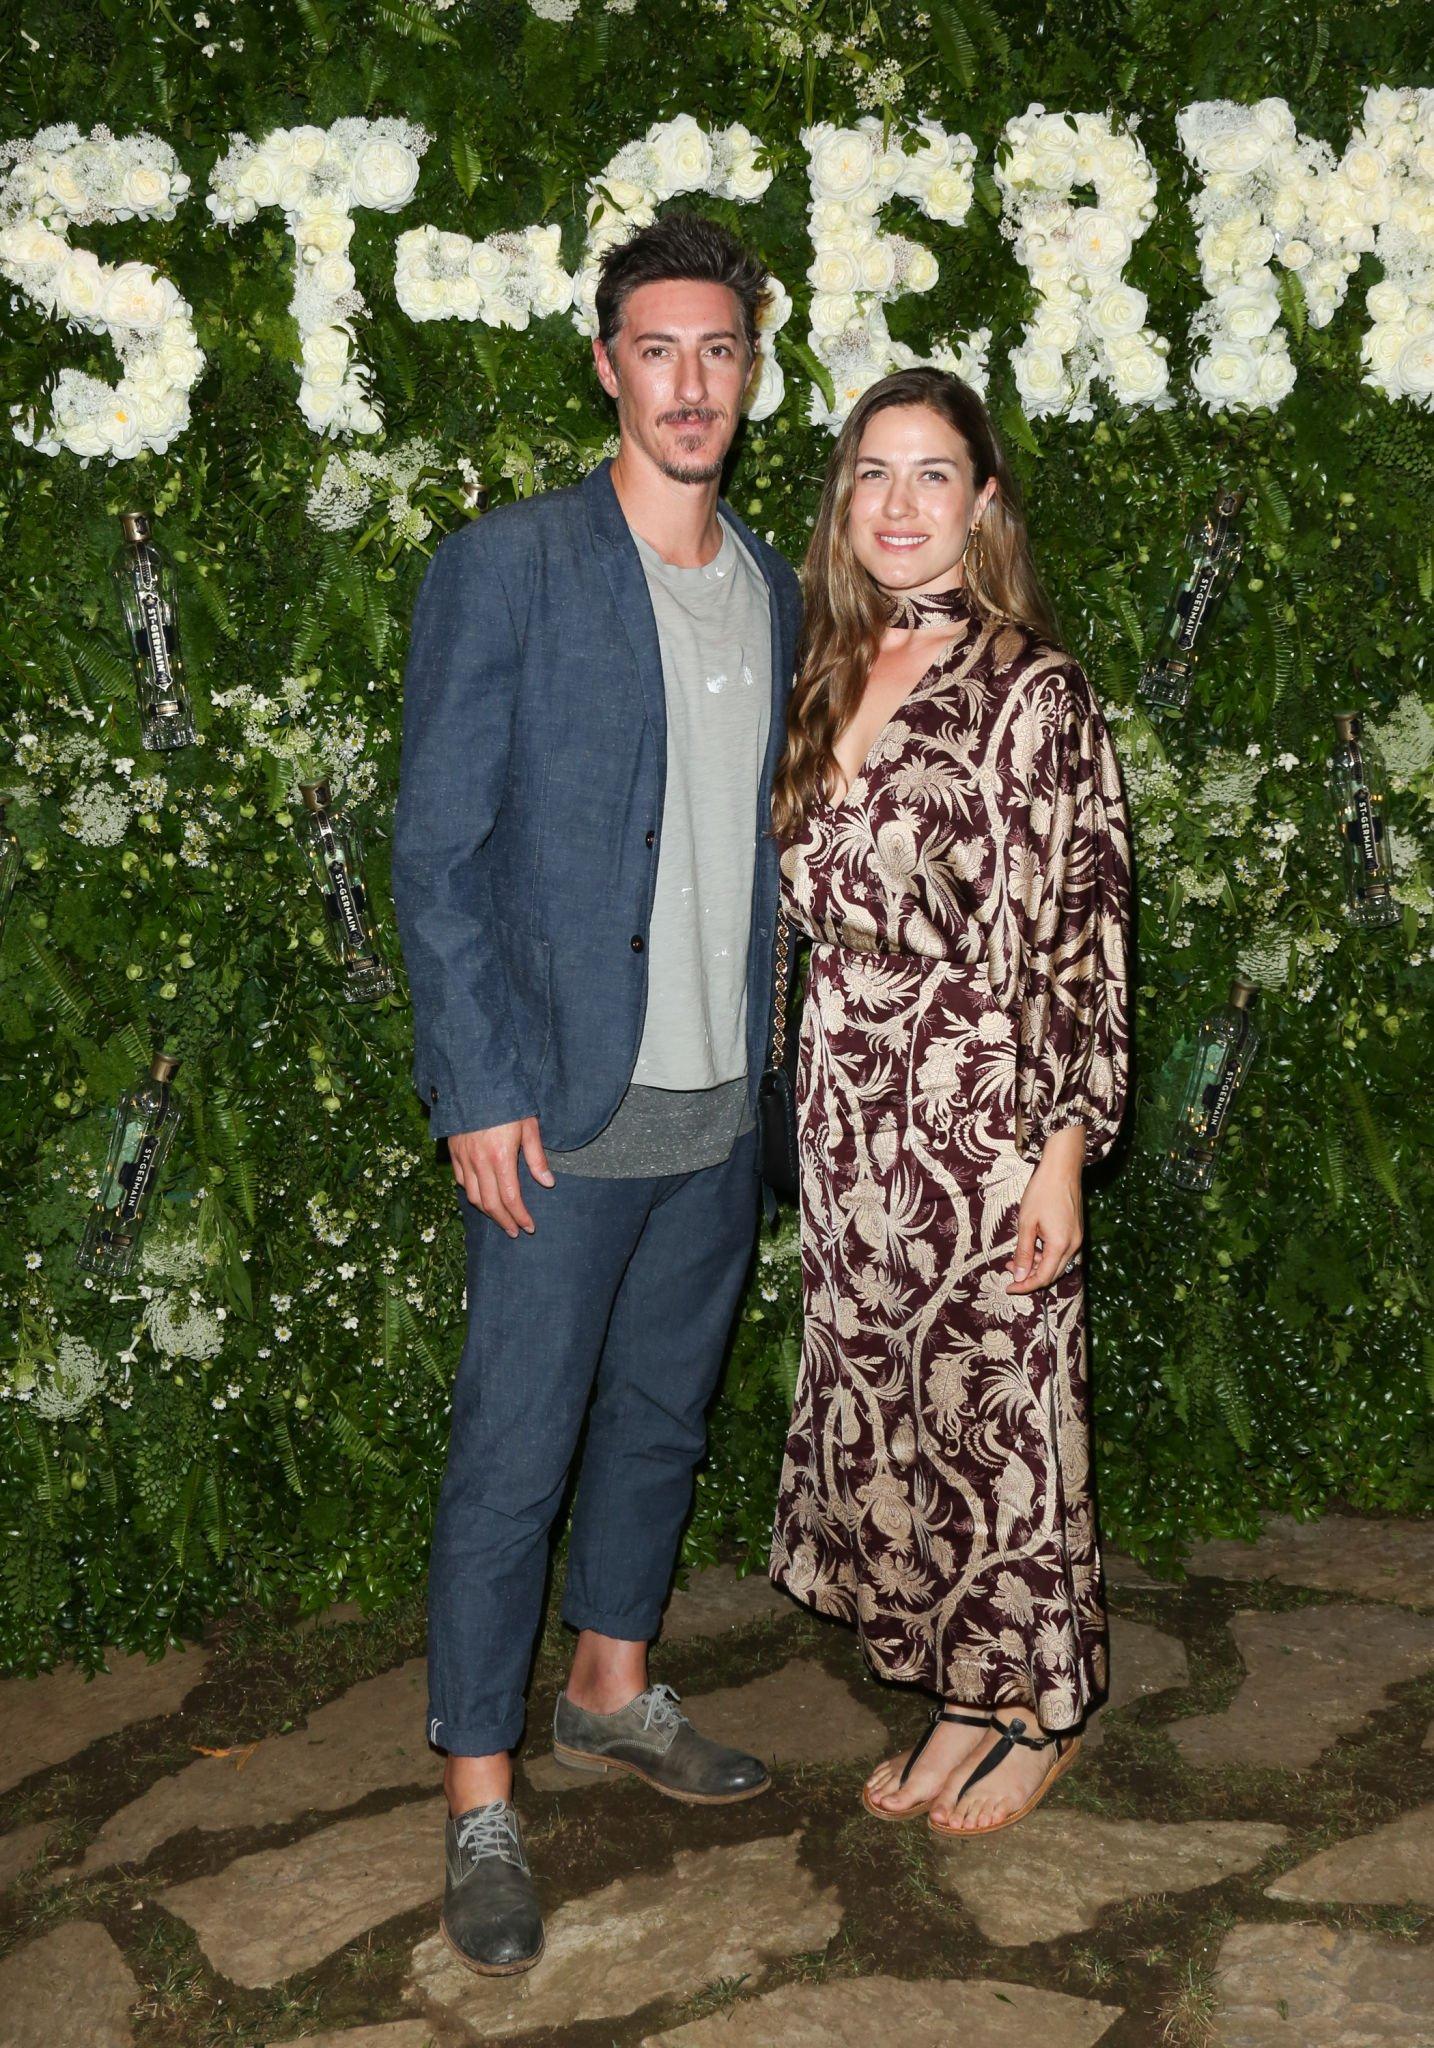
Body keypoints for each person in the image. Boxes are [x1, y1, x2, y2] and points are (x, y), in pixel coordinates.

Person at [392, 212, 802, 1975]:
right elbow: (436, 852)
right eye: (659, 349)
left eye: (719, 350)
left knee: (657, 1421)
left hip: (717, 1102)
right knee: (513, 1452)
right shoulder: (512, 567)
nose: (690, 383)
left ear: (750, 372)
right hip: (557, 1115)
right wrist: (475, 1085)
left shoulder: (775, 583)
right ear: (606, 367)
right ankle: (480, 1792)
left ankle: (611, 1685)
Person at [768, 366, 1132, 1839]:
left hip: (983, 1104)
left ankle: (1041, 1710)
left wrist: (1061, 1154)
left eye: (932, 474)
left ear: (982, 503)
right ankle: (958, 1694)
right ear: (843, 501)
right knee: (896, 1413)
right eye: (874, 472)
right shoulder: (827, 662)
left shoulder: (1034, 688)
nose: (899, 503)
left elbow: (1079, 937)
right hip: (848, 1110)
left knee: (1003, 1413)